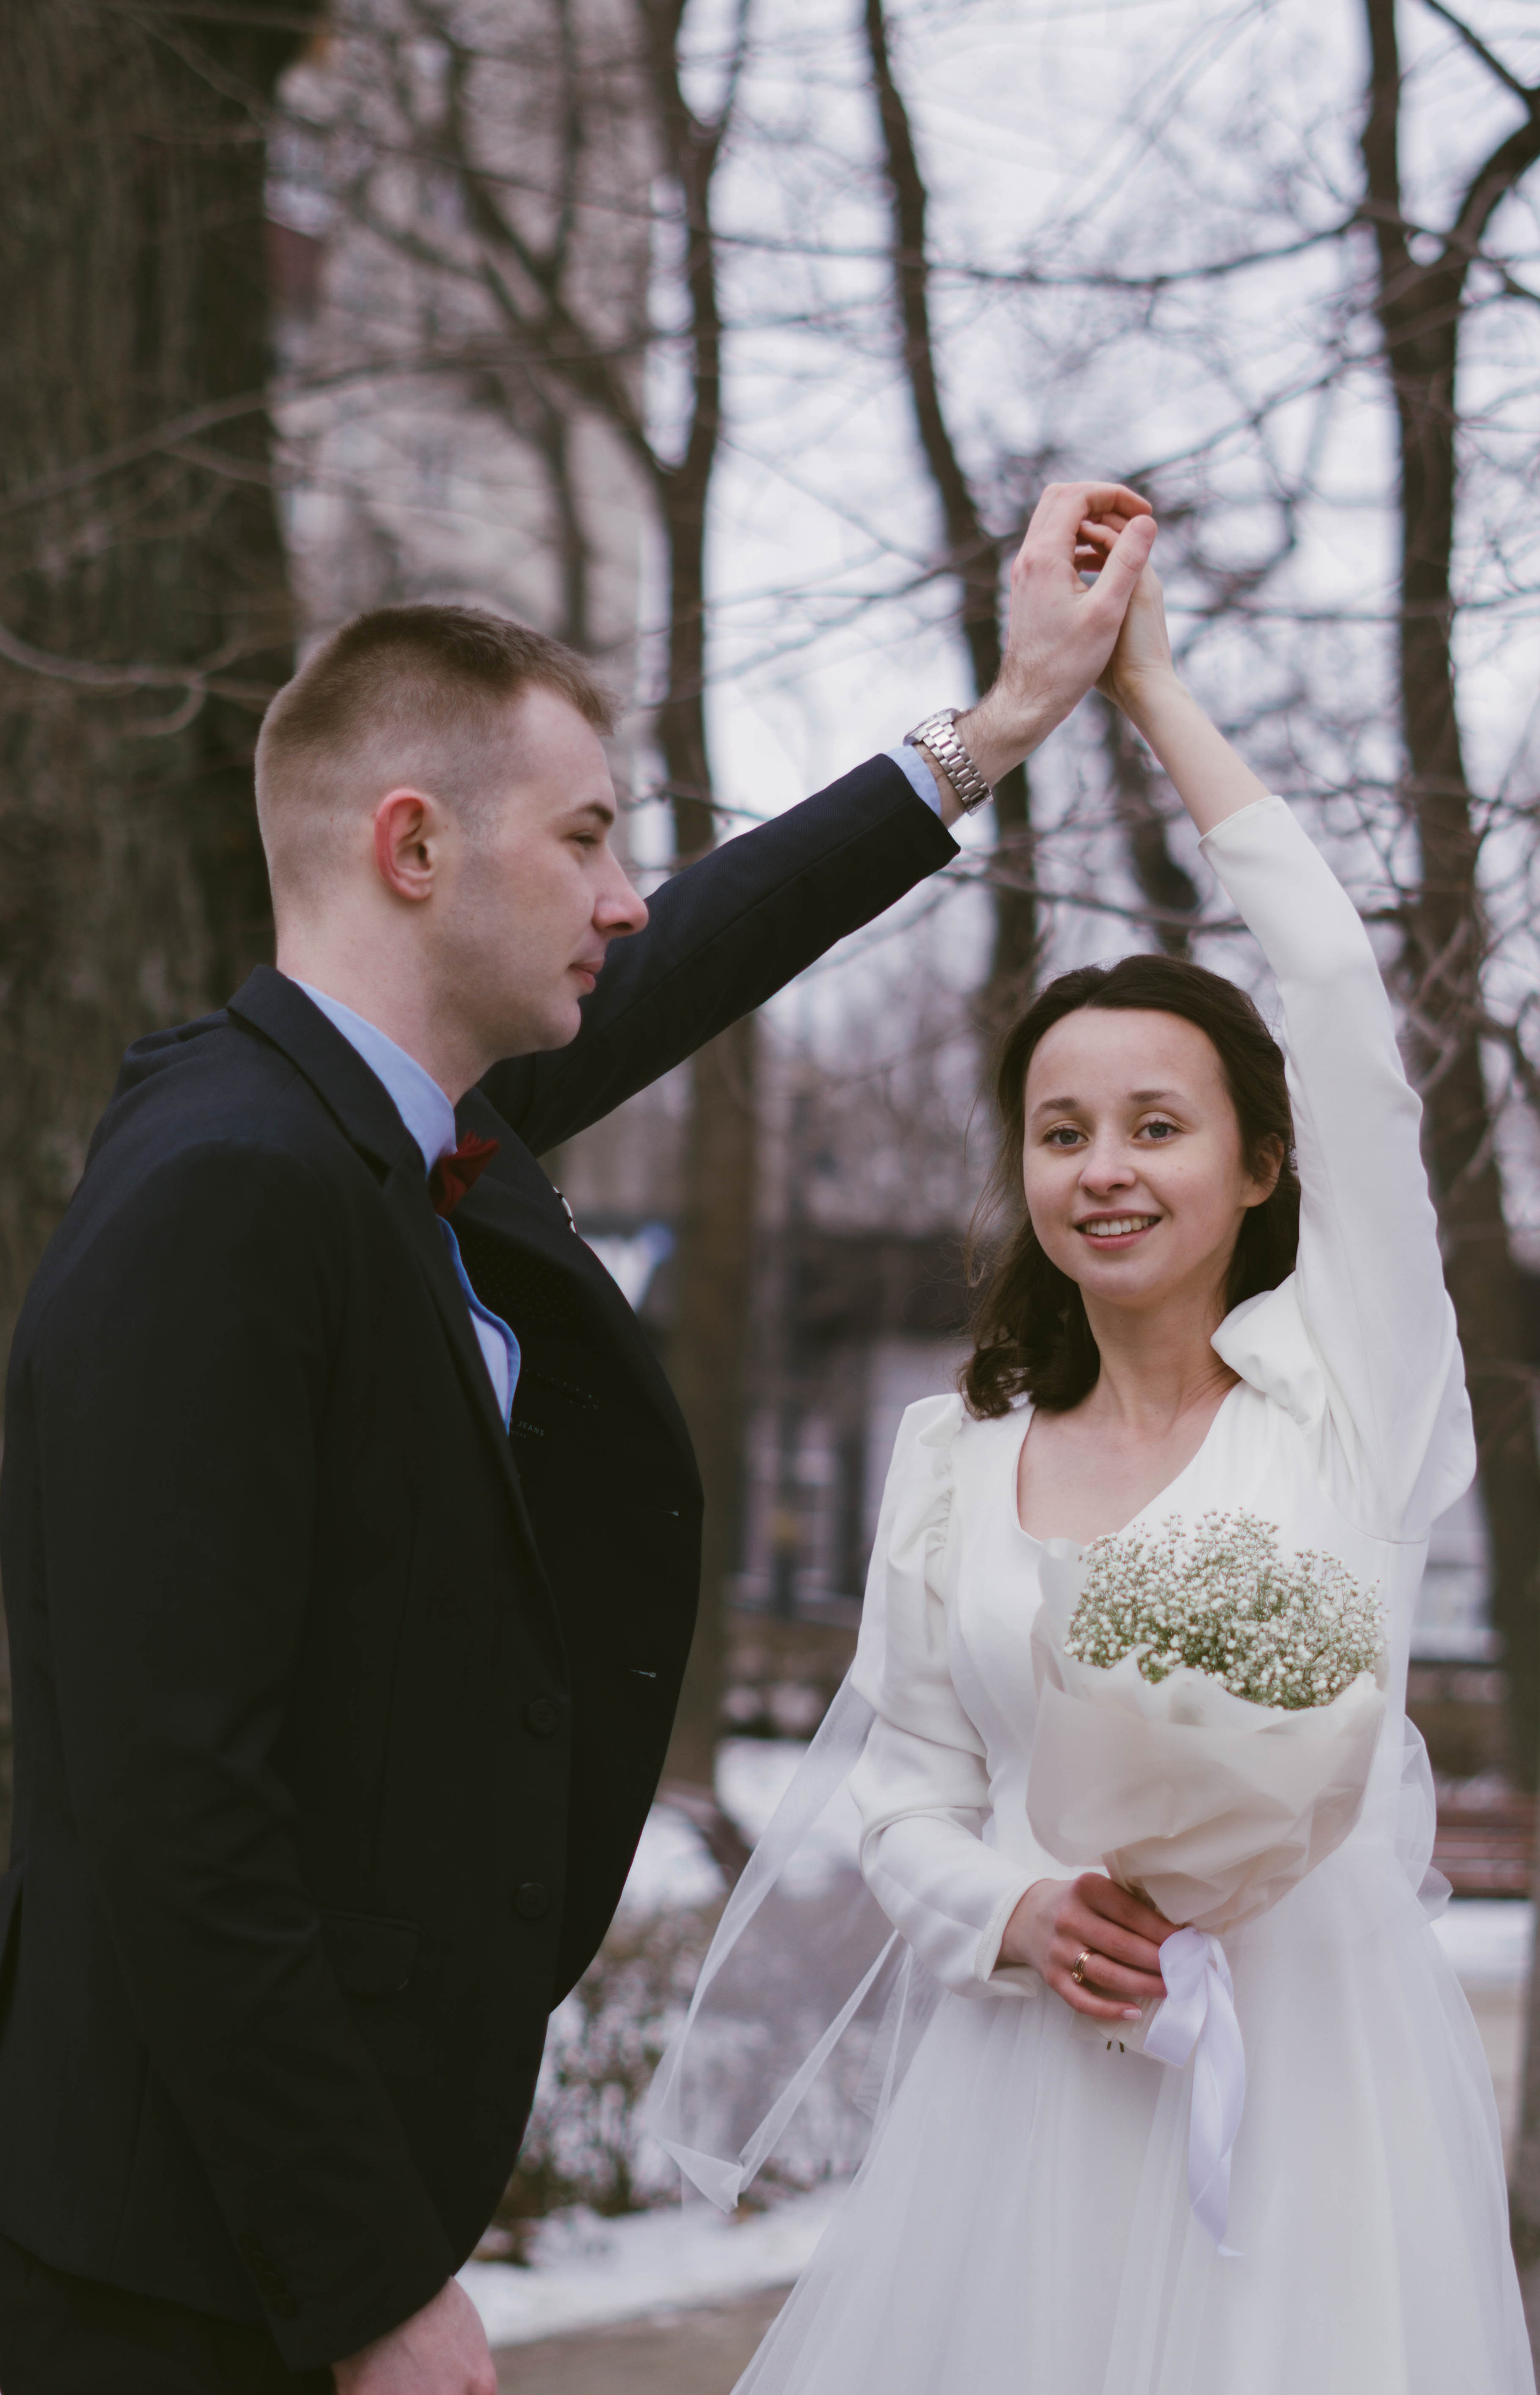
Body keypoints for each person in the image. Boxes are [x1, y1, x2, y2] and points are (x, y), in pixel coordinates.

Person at [0, 482, 1157, 2394]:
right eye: (588, 838)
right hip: (178, 2281)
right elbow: (172, 1802)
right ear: (413, 847)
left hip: (259, 2234)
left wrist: (1002, 724)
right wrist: (367, 2283)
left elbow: (694, 947)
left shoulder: (388, 1132)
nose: (625, 897)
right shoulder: (232, 1192)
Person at [658, 532, 1535, 2394]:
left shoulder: (1347, 1396)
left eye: (1157, 1124)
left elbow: (1338, 996)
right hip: (1030, 2103)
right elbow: (906, 1797)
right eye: (1061, 1133)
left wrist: (1146, 690)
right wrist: (1021, 1912)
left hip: (1312, 2106)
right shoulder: (952, 1460)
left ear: (1263, 1166)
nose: (1105, 1168)